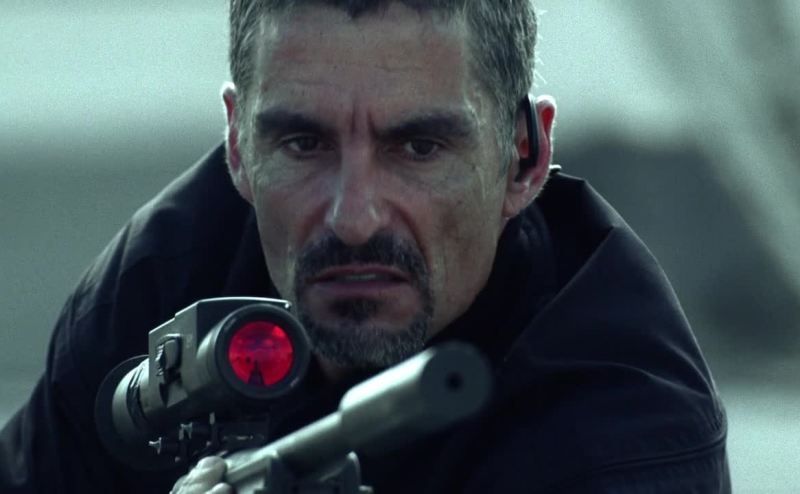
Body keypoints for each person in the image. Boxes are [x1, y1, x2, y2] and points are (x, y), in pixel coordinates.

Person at [0, 1, 731, 492]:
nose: (353, 218)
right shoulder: (164, 278)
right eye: (303, 143)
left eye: (419, 147)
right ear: (238, 147)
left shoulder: (621, 435)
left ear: (524, 159)